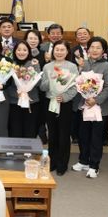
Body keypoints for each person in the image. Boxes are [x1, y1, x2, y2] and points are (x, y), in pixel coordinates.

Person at [72, 36, 108, 179]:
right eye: (92, 47)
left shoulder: (107, 66)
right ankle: (83, 161)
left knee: (96, 138)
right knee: (83, 135)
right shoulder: (83, 64)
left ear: (103, 50)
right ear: (88, 49)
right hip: (84, 106)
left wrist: (96, 100)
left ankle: (94, 165)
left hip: (100, 108)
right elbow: (78, 83)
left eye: (98, 48)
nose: (95, 50)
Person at [39, 41, 77, 175]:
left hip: (65, 103)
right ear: (53, 51)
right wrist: (50, 80)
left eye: (62, 50)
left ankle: (62, 164)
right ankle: (52, 161)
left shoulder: (72, 67)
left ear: (67, 52)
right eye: (57, 49)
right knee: (52, 133)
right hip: (50, 102)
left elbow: (75, 86)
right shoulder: (47, 66)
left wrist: (65, 97)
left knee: (64, 134)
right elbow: (42, 87)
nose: (59, 52)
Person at [7, 41, 42, 138]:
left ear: (28, 51)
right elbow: (6, 84)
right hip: (15, 103)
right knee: (15, 131)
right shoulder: (10, 64)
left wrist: (34, 68)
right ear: (15, 51)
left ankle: (29, 149)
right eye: (19, 50)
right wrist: (17, 94)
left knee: (30, 131)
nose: (21, 52)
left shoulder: (34, 63)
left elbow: (39, 83)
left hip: (32, 103)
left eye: (24, 50)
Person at [25, 29, 48, 142]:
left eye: (35, 38)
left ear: (39, 40)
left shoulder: (44, 54)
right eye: (30, 38)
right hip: (23, 91)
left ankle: (39, 133)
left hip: (39, 91)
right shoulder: (21, 52)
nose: (33, 41)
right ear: (26, 39)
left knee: (38, 116)